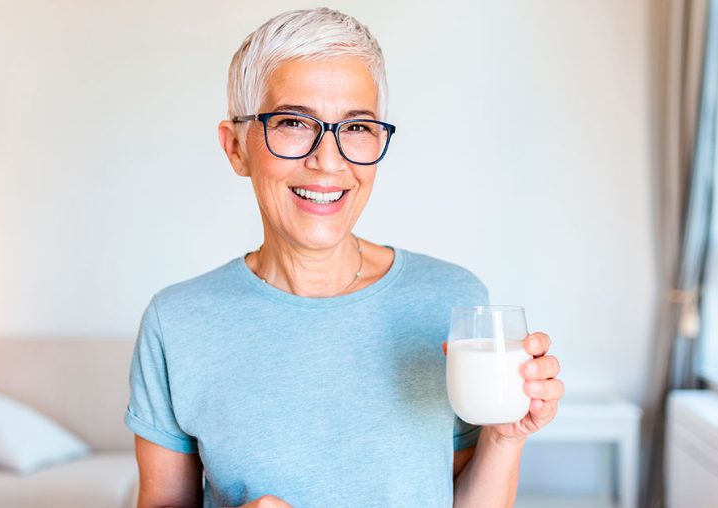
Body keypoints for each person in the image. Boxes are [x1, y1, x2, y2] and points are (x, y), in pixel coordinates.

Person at [125, 7, 564, 508]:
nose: (328, 160)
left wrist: (505, 436)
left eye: (357, 128)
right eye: (293, 122)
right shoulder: (177, 321)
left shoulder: (452, 301)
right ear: (236, 148)